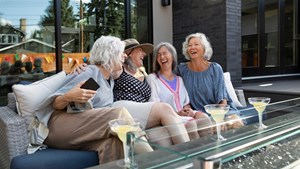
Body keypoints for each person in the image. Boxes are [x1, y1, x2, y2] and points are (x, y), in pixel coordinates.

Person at [38, 35, 153, 164]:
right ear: (110, 54)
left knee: (113, 142)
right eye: (121, 53)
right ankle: (155, 161)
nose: (125, 56)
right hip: (59, 128)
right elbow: (56, 103)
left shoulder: (108, 79)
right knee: (118, 113)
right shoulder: (90, 73)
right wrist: (68, 96)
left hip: (82, 127)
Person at [74, 38, 191, 146]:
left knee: (163, 137)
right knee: (164, 108)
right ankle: (189, 154)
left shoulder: (143, 73)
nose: (144, 54)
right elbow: (100, 70)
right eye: (140, 50)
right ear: (129, 53)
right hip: (123, 109)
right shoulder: (118, 69)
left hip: (143, 115)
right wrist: (86, 67)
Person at [176, 32, 244, 129]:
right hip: (200, 114)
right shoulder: (182, 70)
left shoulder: (215, 68)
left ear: (204, 48)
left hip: (221, 111)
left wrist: (219, 118)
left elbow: (222, 101)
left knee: (235, 123)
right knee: (211, 127)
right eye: (189, 45)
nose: (192, 47)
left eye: (196, 44)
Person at [146, 42, 213, 137]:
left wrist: (187, 110)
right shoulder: (152, 79)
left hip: (183, 115)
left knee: (204, 118)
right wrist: (177, 113)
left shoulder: (179, 79)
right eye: (158, 55)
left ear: (172, 56)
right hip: (170, 117)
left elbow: (186, 103)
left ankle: (208, 148)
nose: (162, 57)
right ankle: (196, 150)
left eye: (165, 53)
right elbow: (154, 106)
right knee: (191, 124)